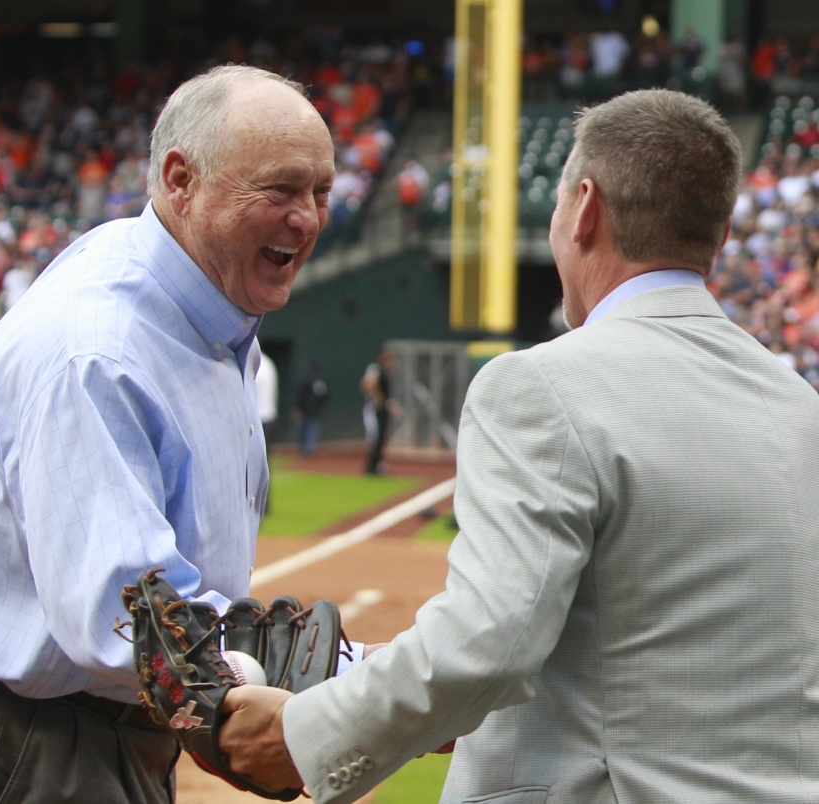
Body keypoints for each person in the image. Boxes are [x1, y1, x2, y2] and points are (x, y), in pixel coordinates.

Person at [218, 89, 819, 803]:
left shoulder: (542, 385)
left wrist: (300, 737)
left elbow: (487, 649)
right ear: (718, 229)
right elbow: (655, 656)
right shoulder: (798, 405)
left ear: (584, 207)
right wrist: (380, 679)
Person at [0, 64, 337, 804]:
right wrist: (365, 687)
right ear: (180, 180)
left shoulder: (195, 297)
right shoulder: (98, 349)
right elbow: (128, 613)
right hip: (26, 742)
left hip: (84, 729)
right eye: (280, 189)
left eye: (321, 192)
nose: (307, 217)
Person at [360, 349, 400, 475]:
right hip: (375, 409)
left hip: (382, 409)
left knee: (381, 438)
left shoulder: (385, 373)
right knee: (375, 438)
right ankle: (372, 466)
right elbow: (367, 384)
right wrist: (377, 397)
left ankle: (377, 464)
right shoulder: (376, 369)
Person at [256, 350, 278, 514]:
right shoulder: (268, 362)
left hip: (258, 419)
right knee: (264, 464)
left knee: (250, 467)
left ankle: (259, 506)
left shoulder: (254, 362)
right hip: (269, 416)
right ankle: (264, 505)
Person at [294, 361, 328, 457]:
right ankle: (307, 449)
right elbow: (323, 396)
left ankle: (308, 449)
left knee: (310, 429)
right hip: (310, 411)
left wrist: (299, 408)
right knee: (308, 430)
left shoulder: (312, 382)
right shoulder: (315, 382)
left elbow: (323, 395)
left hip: (310, 411)